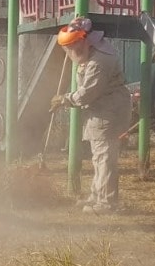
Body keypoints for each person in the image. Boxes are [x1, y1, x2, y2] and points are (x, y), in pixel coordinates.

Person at [50, 17, 132, 213]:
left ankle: (106, 203)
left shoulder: (100, 61)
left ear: (84, 40)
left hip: (108, 112)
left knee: (104, 158)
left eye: (73, 46)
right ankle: (97, 196)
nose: (71, 51)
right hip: (102, 110)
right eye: (67, 47)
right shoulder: (92, 52)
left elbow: (88, 93)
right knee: (99, 157)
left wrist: (64, 99)